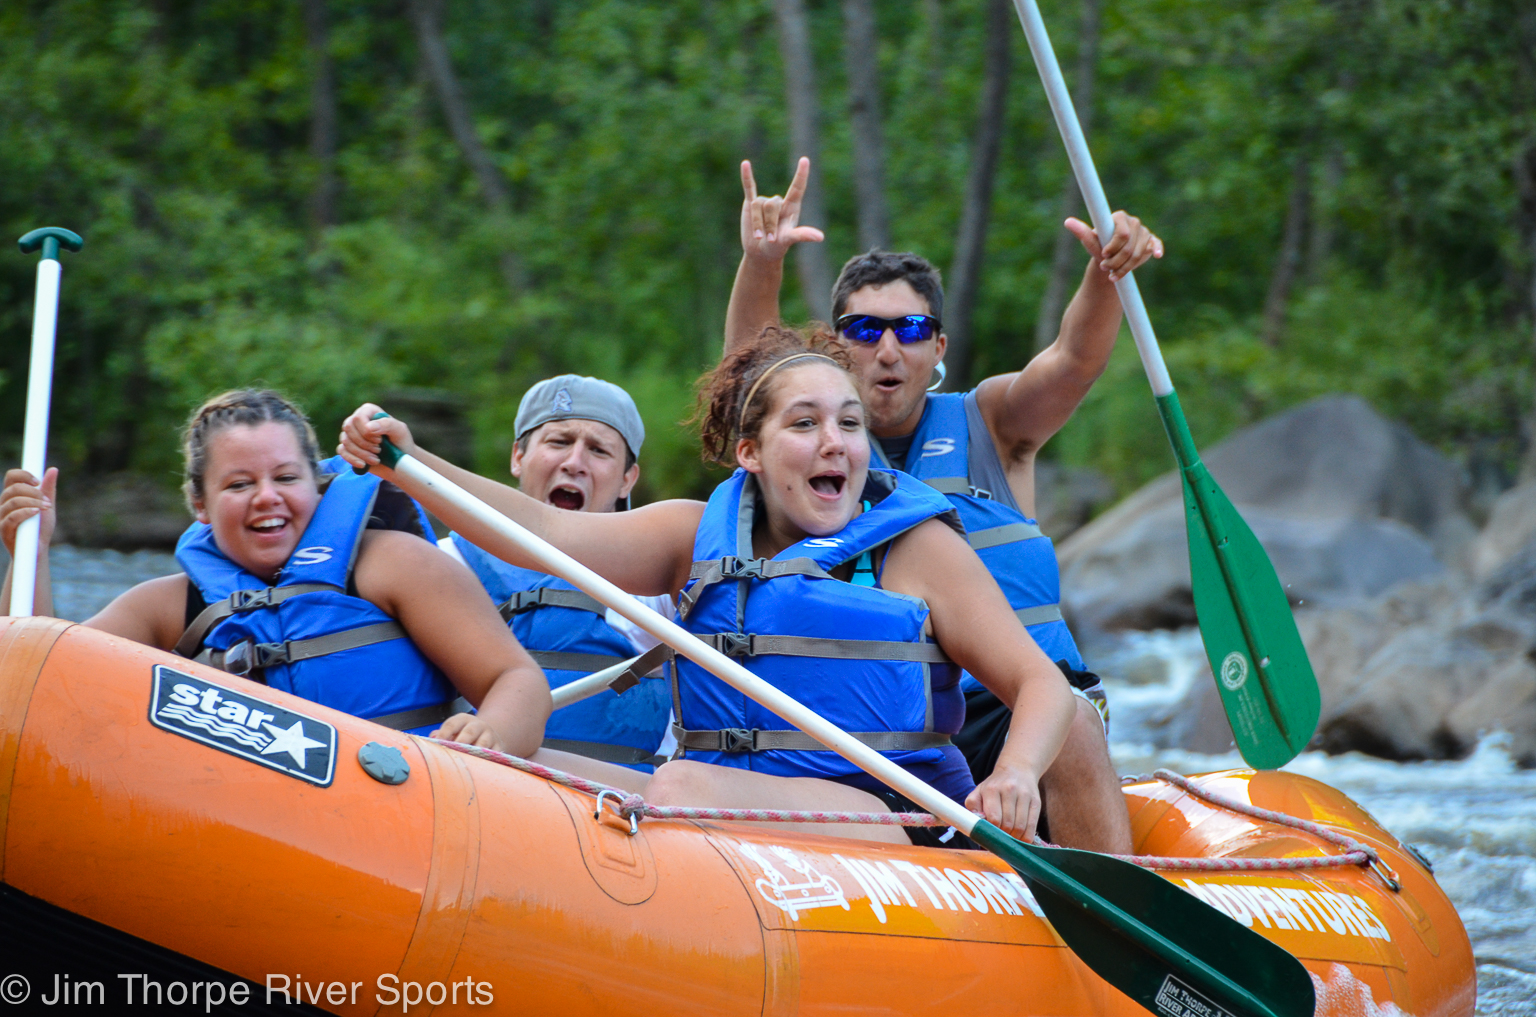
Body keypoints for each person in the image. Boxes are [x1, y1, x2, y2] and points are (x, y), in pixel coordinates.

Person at [340, 328, 1098, 848]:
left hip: (895, 825)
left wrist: (1017, 774)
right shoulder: (692, 535)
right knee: (499, 762)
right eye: (804, 424)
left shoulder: (918, 548)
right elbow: (547, 536)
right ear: (751, 453)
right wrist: (409, 464)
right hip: (730, 808)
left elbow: (1040, 683)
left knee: (672, 785)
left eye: (849, 423)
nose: (835, 442)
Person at [720, 158, 1160, 852]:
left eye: (911, 328)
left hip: (1020, 708)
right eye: (864, 332)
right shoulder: (809, 458)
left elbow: (1074, 360)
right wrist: (762, 264)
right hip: (893, 715)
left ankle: (1115, 912)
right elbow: (749, 375)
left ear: (939, 346)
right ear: (836, 348)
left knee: (1070, 715)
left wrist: (1106, 275)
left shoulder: (995, 420)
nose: (888, 347)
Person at [0, 389, 550, 753]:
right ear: (199, 504)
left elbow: (517, 680)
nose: (267, 499)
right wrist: (34, 552)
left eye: (286, 478)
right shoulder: (166, 608)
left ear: (317, 484)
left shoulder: (394, 565)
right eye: (239, 485)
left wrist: (491, 731)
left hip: (412, 812)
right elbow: (31, 685)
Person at [439, 374, 674, 773]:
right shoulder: (442, 563)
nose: (574, 462)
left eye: (599, 450)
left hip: (618, 809)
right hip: (475, 788)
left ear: (627, 481)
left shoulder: (661, 584)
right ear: (518, 456)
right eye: (559, 442)